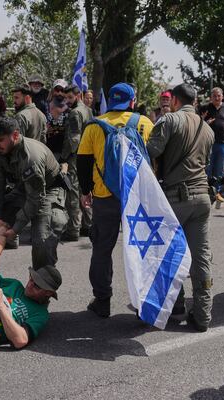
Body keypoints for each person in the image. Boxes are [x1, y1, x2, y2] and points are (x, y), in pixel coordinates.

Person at [76, 82, 154, 318]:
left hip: (105, 197)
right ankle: (145, 304)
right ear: (132, 101)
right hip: (138, 197)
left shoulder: (94, 126)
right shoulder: (144, 123)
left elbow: (83, 162)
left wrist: (86, 190)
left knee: (102, 249)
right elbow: (156, 159)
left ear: (110, 101)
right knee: (142, 249)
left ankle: (102, 301)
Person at [146, 83, 215, 332]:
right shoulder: (207, 128)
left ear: (174, 100)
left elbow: (150, 151)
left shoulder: (168, 121)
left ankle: (173, 306)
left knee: (168, 255)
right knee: (200, 258)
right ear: (195, 101)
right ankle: (203, 314)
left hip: (175, 199)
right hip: (202, 198)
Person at [0, 116, 67, 270]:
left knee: (41, 239)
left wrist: (16, 228)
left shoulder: (31, 158)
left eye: (0, 140)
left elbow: (36, 198)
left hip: (49, 190)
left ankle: (41, 285)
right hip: (23, 188)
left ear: (15, 135)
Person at [60, 84, 93, 242]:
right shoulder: (88, 110)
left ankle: (73, 229)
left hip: (76, 157)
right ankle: (88, 224)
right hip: (88, 156)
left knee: (73, 192)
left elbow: (74, 140)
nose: (67, 101)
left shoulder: (74, 113)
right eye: (65, 98)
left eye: (70, 98)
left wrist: (64, 157)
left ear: (78, 95)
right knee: (85, 190)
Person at [204, 87, 224, 202]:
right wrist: (206, 123)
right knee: (208, 167)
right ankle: (206, 191)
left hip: (223, 143)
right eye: (214, 96)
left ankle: (217, 191)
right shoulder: (205, 108)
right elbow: (199, 122)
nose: (217, 98)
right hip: (209, 143)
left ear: (222, 96)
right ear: (211, 97)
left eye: (219, 95)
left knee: (219, 169)